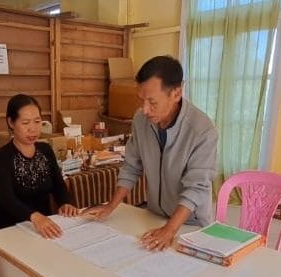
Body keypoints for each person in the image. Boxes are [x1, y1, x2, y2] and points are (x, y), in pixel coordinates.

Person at [87, 55, 217, 251]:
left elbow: (196, 188)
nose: (145, 110)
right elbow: (131, 166)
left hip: (190, 224)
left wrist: (170, 230)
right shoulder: (141, 120)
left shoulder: (202, 130)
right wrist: (111, 206)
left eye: (152, 102)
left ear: (176, 93)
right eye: (142, 101)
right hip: (154, 214)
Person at [0, 94, 78, 238]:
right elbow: (6, 199)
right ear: (11, 123)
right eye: (25, 123)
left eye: (37, 121)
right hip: (10, 228)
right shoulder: (1, 158)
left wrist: (65, 203)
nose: (33, 129)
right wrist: (35, 217)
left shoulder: (45, 150)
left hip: (44, 225)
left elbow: (58, 185)